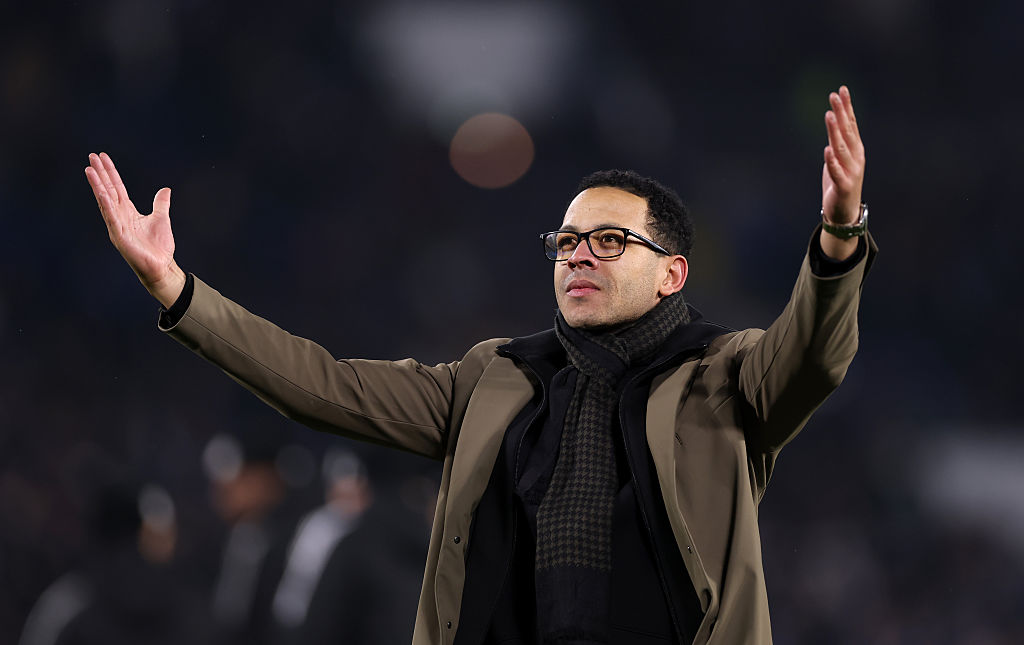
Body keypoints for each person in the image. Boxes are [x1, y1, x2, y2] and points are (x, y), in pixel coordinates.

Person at [85, 86, 875, 645]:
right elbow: (321, 384)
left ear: (673, 272)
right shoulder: (493, 378)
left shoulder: (724, 374)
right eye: (565, 242)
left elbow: (812, 354)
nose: (578, 256)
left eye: (608, 240)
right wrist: (179, 290)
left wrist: (839, 238)